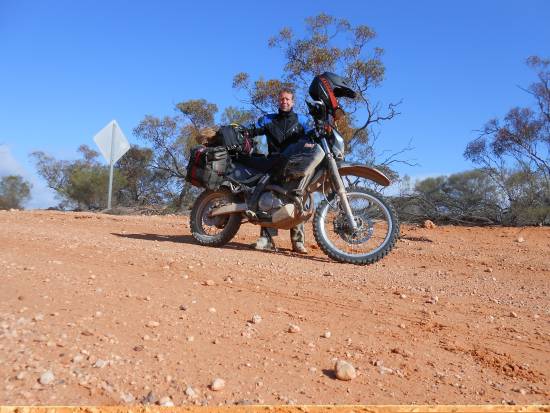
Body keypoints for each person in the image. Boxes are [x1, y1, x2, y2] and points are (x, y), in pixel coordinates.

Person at [247, 89, 313, 254]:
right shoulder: (268, 120)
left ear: (293, 102)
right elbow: (252, 130)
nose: (284, 101)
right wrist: (242, 133)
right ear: (278, 101)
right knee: (268, 198)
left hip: (296, 166)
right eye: (282, 99)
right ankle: (266, 239)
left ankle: (297, 242)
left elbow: (313, 134)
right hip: (274, 164)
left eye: (288, 99)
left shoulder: (302, 120)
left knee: (298, 199)